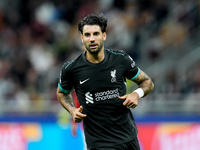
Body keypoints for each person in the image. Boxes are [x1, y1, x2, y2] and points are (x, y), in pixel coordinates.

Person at [56, 13, 154, 150]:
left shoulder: (121, 60)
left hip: (128, 137)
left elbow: (147, 82)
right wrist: (72, 110)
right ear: (82, 38)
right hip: (99, 143)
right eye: (87, 35)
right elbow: (62, 93)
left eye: (96, 34)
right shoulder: (71, 69)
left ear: (104, 36)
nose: (92, 39)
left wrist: (136, 94)